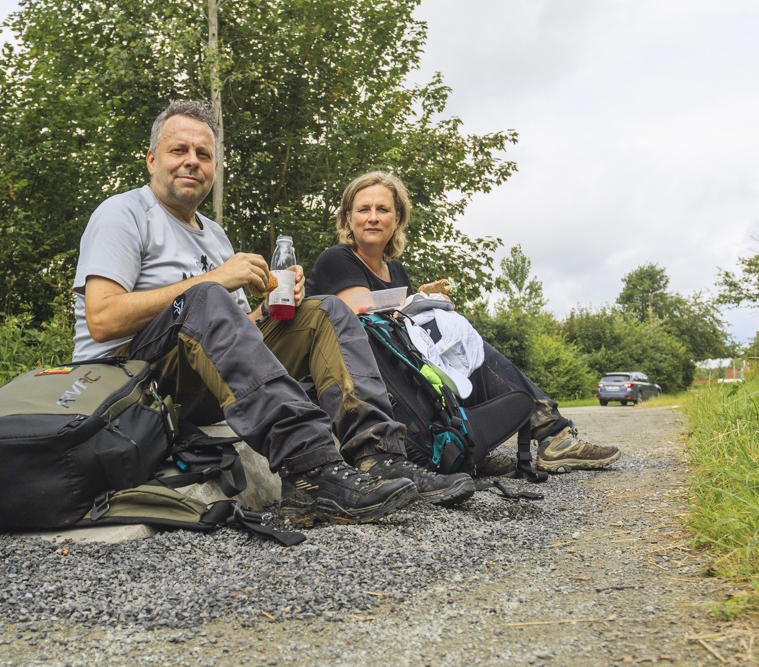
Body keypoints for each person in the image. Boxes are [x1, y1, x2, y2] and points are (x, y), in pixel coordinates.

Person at [71, 102, 476, 526]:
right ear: (152, 159)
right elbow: (102, 320)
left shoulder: (214, 234)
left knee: (327, 309)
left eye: (203, 154)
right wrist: (216, 280)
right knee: (207, 296)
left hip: (200, 381)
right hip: (130, 382)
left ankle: (380, 458)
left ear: (214, 168)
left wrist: (274, 305)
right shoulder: (124, 213)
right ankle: (312, 473)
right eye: (178, 151)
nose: (192, 161)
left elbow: (236, 337)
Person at [307, 171, 621, 474]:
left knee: (464, 344)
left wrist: (427, 301)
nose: (372, 217)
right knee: (448, 338)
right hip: (352, 381)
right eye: (363, 209)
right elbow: (360, 315)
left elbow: (399, 325)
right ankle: (550, 432)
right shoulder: (338, 259)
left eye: (382, 209)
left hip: (398, 374)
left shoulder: (395, 271)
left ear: (398, 219)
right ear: (349, 218)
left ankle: (530, 435)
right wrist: (417, 306)